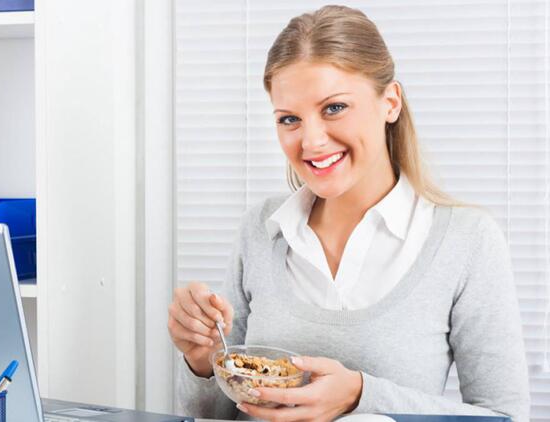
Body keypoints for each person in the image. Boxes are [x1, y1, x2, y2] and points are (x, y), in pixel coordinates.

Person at [168, 5, 530, 422]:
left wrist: (361, 395)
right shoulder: (261, 230)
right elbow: (215, 414)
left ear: (390, 102)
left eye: (334, 108)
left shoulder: (466, 241)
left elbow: (505, 416)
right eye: (290, 119)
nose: (311, 141)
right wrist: (203, 359)